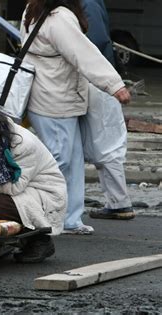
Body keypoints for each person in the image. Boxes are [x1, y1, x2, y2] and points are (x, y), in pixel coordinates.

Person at [21, 0, 131, 235]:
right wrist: (114, 85)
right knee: (61, 161)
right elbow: (84, 53)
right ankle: (47, 217)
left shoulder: (32, 9)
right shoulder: (60, 17)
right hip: (57, 98)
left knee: (70, 159)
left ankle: (69, 218)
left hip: (46, 94)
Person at [0, 113, 67, 263]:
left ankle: (40, 240)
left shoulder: (23, 144)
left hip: (44, 194)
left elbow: (14, 187)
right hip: (10, 194)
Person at [82, 0, 135, 220]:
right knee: (105, 142)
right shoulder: (91, 2)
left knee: (105, 144)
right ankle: (118, 201)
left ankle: (119, 202)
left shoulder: (85, 4)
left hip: (96, 80)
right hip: (100, 79)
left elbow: (92, 45)